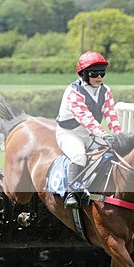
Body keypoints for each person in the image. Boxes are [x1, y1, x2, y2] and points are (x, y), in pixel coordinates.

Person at [55, 51, 122, 209]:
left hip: (90, 134)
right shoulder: (73, 92)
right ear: (83, 74)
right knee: (79, 156)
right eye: (94, 74)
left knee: (114, 153)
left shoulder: (105, 90)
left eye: (102, 74)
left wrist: (118, 136)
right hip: (69, 133)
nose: (99, 78)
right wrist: (105, 135)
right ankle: (72, 193)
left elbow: (111, 115)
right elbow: (86, 118)